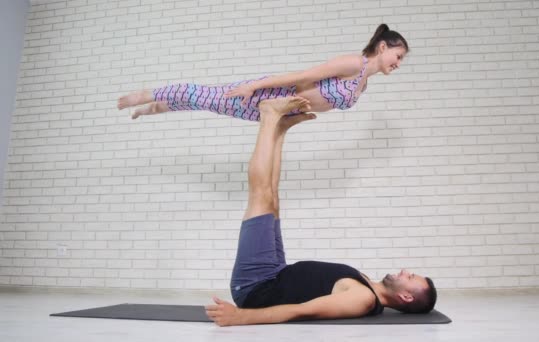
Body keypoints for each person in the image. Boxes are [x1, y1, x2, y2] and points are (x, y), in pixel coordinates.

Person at [204, 96, 437, 327]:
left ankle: (269, 115)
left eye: (410, 277)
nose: (406, 271)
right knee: (271, 199)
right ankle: (280, 129)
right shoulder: (366, 284)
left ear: (406, 297)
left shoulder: (363, 299)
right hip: (276, 272)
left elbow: (301, 311)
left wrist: (241, 317)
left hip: (257, 286)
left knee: (261, 196)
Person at [117, 24, 408, 121]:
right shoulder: (354, 64)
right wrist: (253, 87)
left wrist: (288, 119)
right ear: (382, 47)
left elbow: (322, 105)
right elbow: (301, 76)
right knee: (205, 95)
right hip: (270, 93)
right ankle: (146, 96)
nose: (398, 63)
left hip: (278, 111)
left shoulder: (363, 86)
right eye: (398, 56)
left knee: (209, 105)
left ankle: (156, 107)